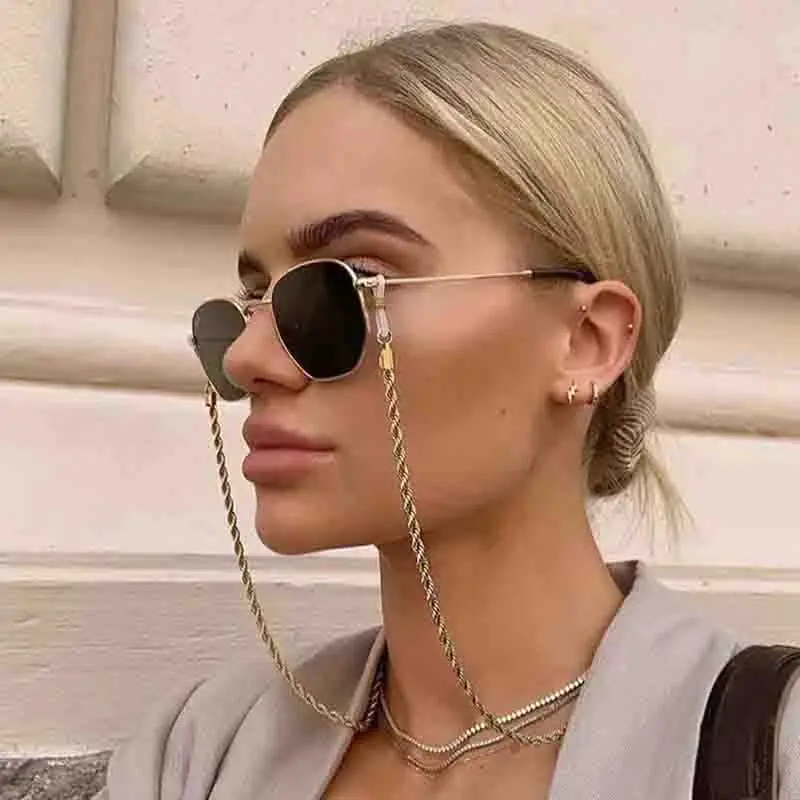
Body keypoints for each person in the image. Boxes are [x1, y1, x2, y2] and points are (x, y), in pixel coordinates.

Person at [95, 22, 800, 799]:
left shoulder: (770, 757)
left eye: (350, 284)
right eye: (255, 296)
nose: (246, 357)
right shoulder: (199, 756)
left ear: (586, 341)